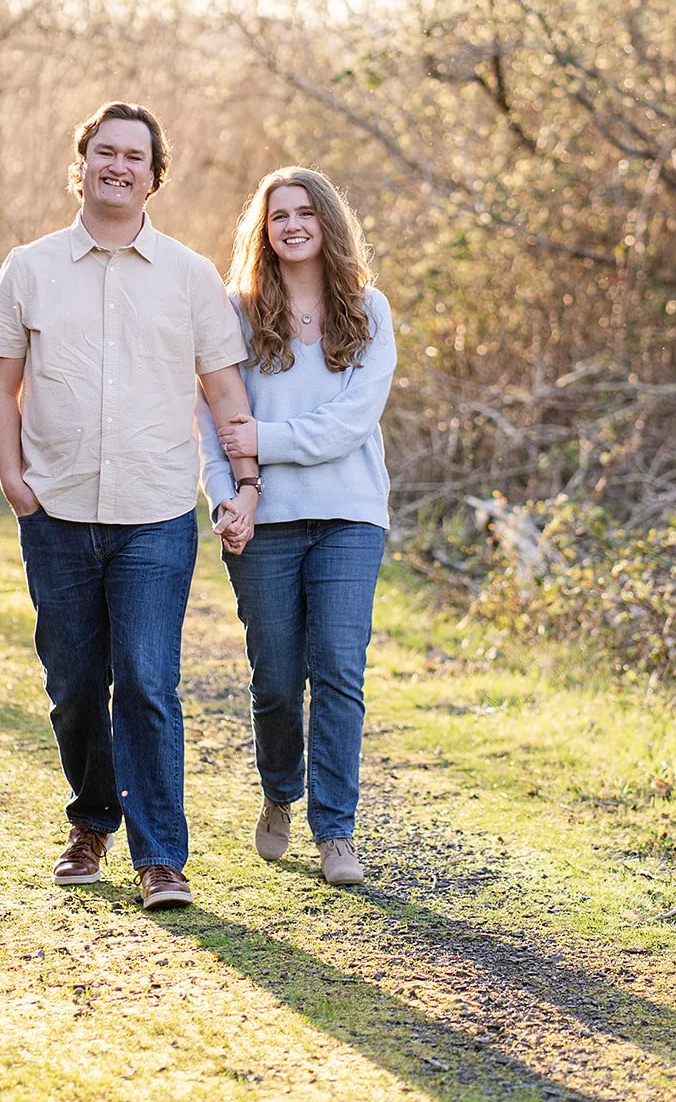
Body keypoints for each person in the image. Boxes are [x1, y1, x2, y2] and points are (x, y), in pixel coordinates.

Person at [0, 101, 259, 911]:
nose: (118, 166)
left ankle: (160, 858)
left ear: (154, 174)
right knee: (73, 684)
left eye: (134, 156)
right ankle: (91, 821)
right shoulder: (28, 268)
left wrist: (244, 483)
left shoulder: (188, 275)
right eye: (104, 152)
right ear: (82, 164)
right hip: (56, 513)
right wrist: (12, 479)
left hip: (155, 516)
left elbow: (225, 389)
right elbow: (1, 384)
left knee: (145, 681)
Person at [199, 166, 396, 886]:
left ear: (327, 222)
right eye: (277, 214)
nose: (291, 224)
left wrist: (263, 441)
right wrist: (225, 494)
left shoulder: (368, 310)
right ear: (262, 229)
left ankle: (335, 832)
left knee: (338, 671)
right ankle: (279, 791)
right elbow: (213, 417)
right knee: (276, 679)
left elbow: (351, 422)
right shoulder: (237, 313)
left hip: (349, 516)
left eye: (304, 212)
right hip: (266, 521)